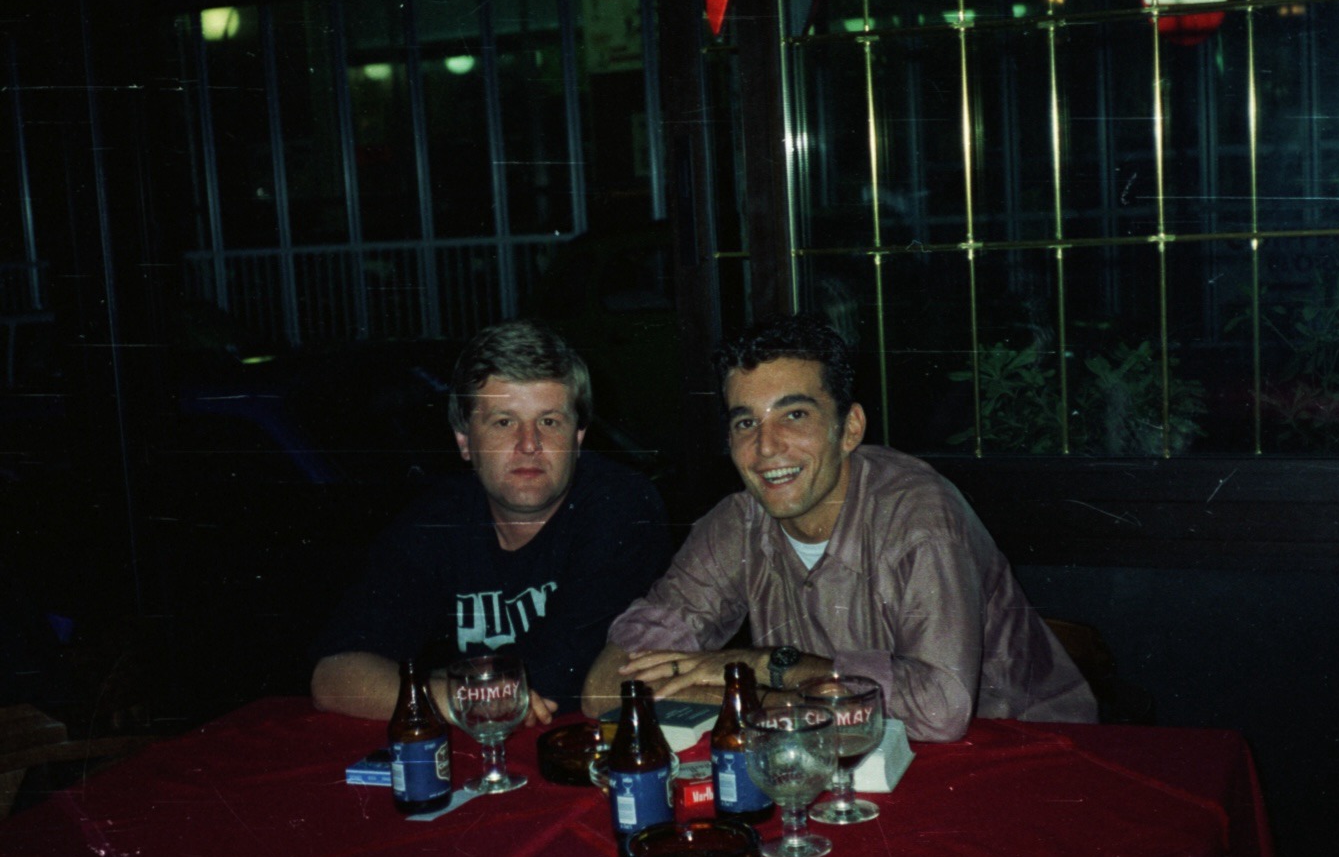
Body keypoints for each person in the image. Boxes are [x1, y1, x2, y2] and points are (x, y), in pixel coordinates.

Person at [581, 313, 1095, 741]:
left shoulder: (918, 515)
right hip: (850, 757)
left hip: (1021, 755)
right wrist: (781, 699)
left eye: (795, 415)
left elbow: (941, 711)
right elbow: (606, 688)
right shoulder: (737, 523)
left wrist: (769, 665)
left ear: (849, 428)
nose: (766, 447)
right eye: (745, 422)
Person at [311, 319, 670, 726]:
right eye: (504, 422)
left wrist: (434, 687)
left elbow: (560, 681)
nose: (529, 444)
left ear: (579, 436)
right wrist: (459, 697)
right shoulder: (434, 521)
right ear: (464, 440)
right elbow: (335, 676)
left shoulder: (620, 505)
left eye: (549, 421)